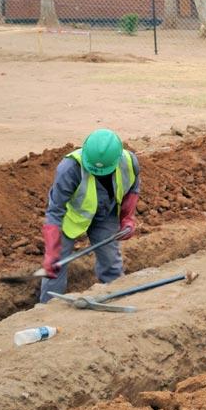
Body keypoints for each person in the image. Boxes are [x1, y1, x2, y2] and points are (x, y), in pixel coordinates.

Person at [39, 128, 141, 303]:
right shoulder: (69, 168)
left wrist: (127, 218)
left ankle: (117, 299)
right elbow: (55, 210)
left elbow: (133, 188)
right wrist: (51, 248)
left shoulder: (129, 162)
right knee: (55, 265)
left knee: (111, 261)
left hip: (105, 213)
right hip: (72, 217)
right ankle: (47, 310)